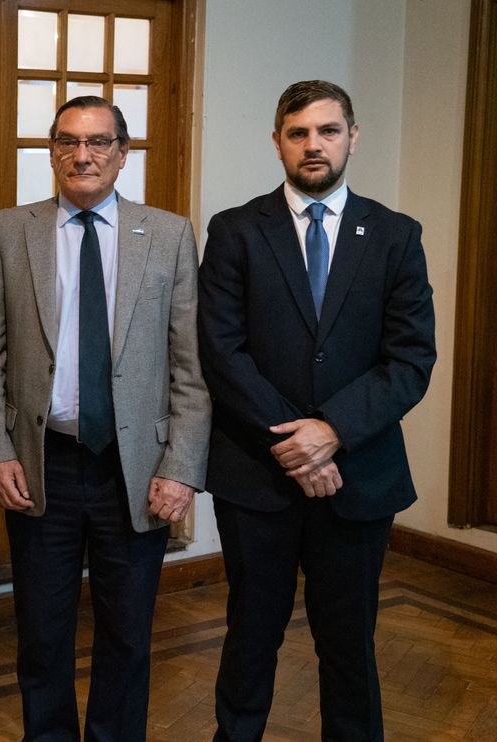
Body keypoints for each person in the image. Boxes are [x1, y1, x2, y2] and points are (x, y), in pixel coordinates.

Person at [197, 80, 436, 741]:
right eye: (298, 132)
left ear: (352, 138)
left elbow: (410, 360)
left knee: (350, 642)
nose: (314, 144)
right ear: (277, 142)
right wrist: (297, 445)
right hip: (257, 476)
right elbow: (221, 351)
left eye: (328, 131)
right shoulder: (236, 230)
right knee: (251, 635)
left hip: (359, 476)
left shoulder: (395, 236)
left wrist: (331, 431)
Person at [0, 95, 211, 741]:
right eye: (69, 142)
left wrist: (181, 467)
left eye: (99, 142)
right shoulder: (9, 231)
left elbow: (189, 364)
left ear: (122, 154)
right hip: (41, 463)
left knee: (128, 635)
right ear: (52, 152)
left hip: (136, 468)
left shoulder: (168, 234)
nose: (83, 155)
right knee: (41, 634)